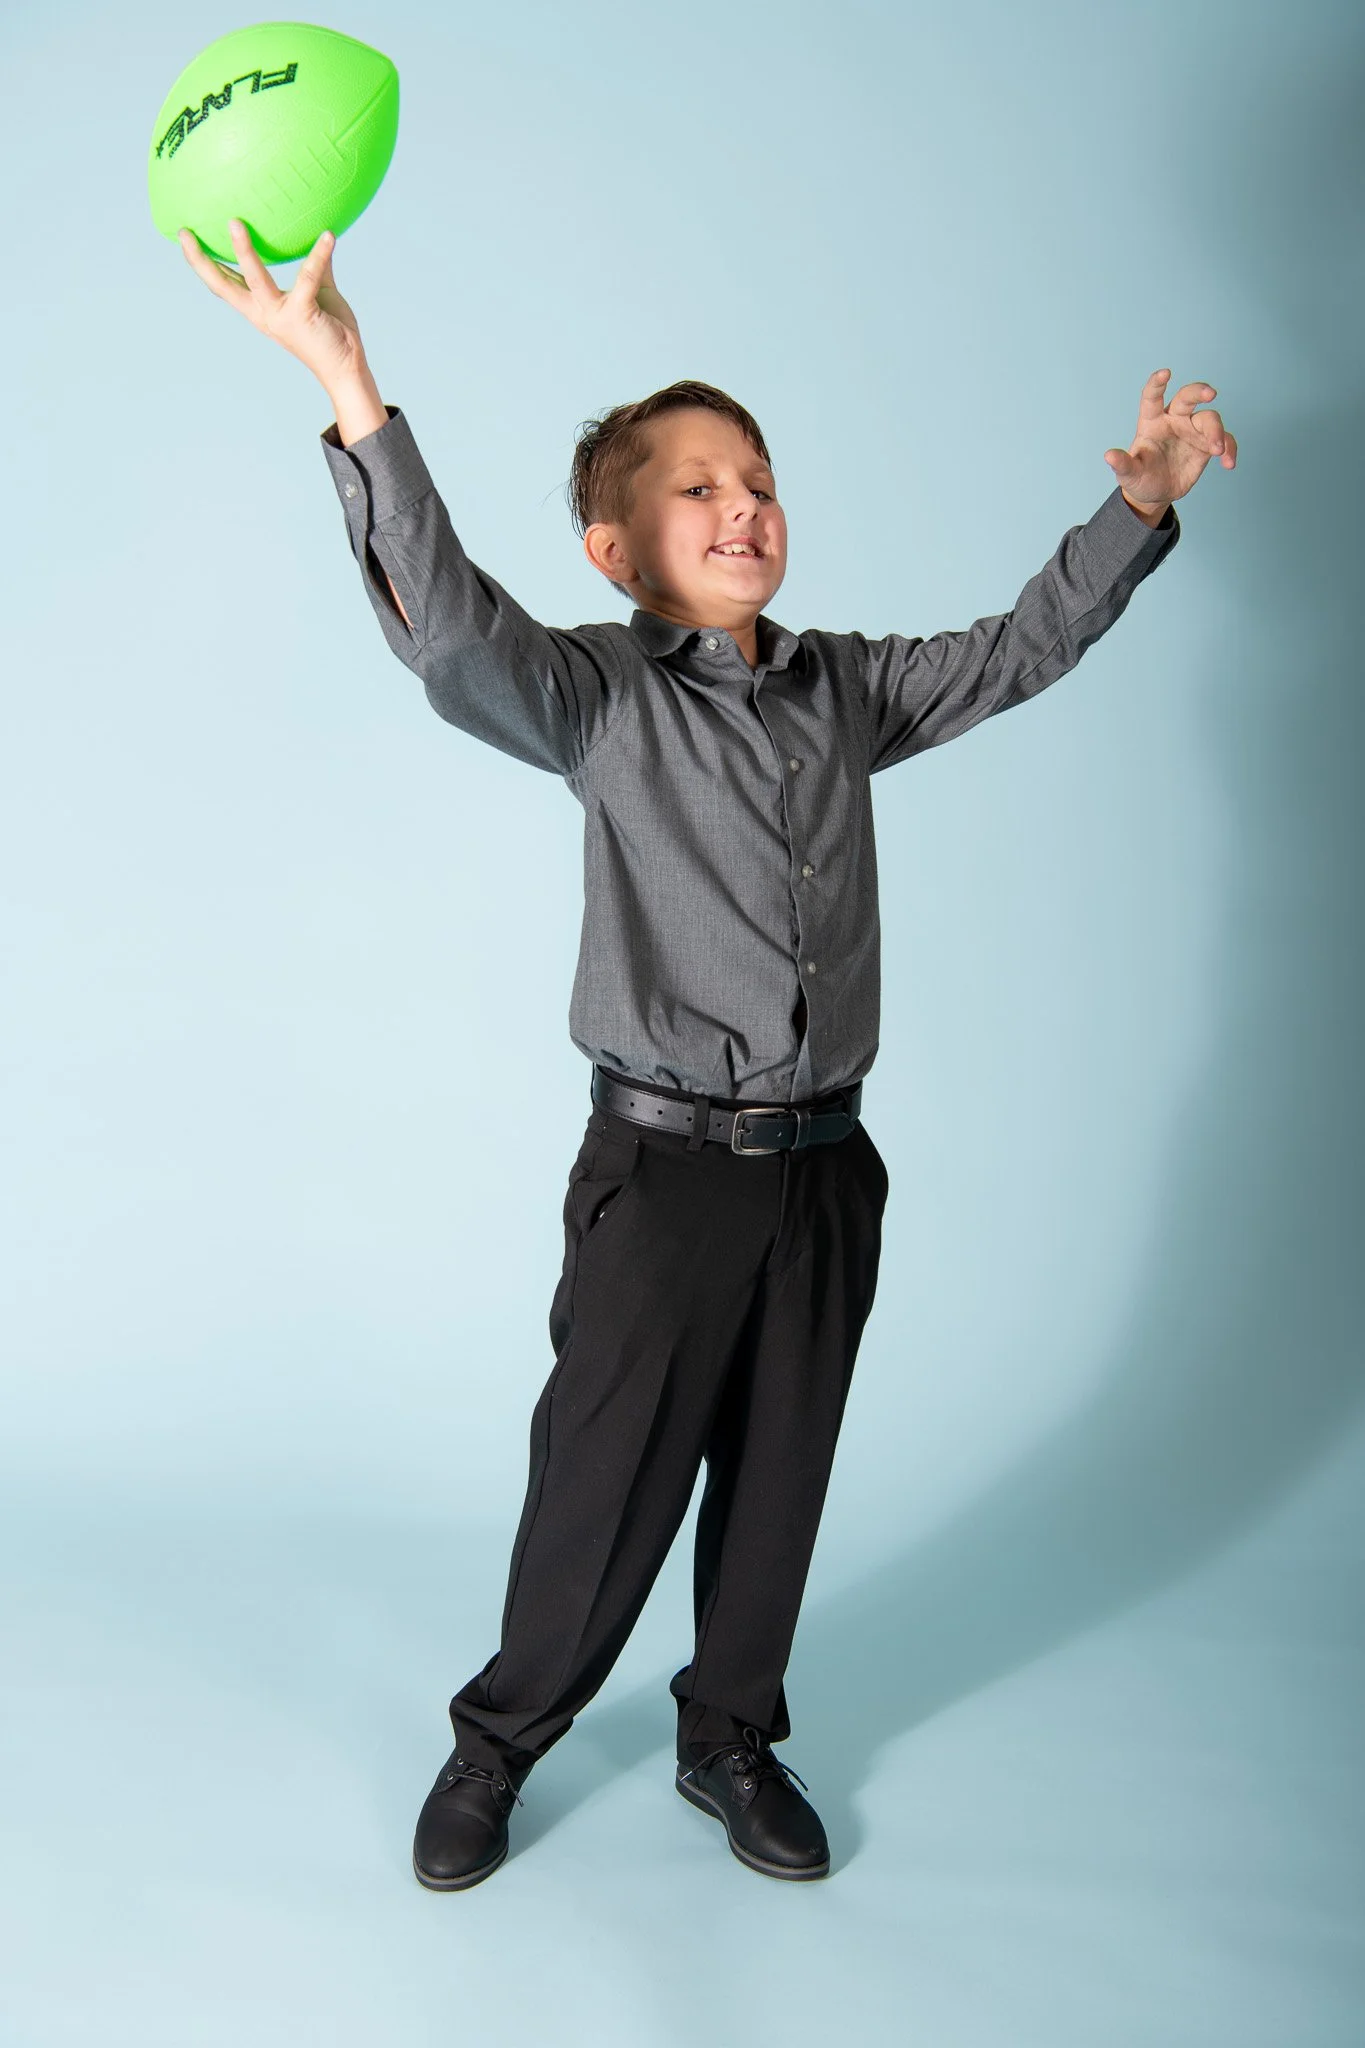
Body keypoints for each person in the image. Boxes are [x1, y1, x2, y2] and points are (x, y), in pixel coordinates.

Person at [178, 217, 1237, 1891]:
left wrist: (1144, 503)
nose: (744, 505)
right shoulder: (595, 696)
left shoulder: (849, 690)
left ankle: (730, 1736)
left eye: (758, 475)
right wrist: (346, 379)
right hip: (662, 1173)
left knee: (780, 1481)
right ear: (617, 551)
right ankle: (499, 1741)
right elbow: (449, 636)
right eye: (697, 487)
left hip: (828, 1168)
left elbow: (1023, 646)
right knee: (603, 1484)